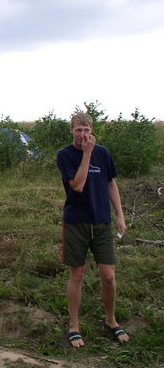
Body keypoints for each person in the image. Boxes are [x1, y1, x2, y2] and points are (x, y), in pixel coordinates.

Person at [56, 112, 130, 348]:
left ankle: (111, 320)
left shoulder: (103, 153)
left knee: (109, 275)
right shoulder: (65, 155)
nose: (82, 135)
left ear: (92, 130)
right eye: (78, 130)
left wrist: (120, 215)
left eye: (86, 130)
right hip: (76, 222)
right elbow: (77, 185)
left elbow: (111, 183)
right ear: (71, 130)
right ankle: (74, 325)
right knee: (77, 274)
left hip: (101, 222)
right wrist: (87, 154)